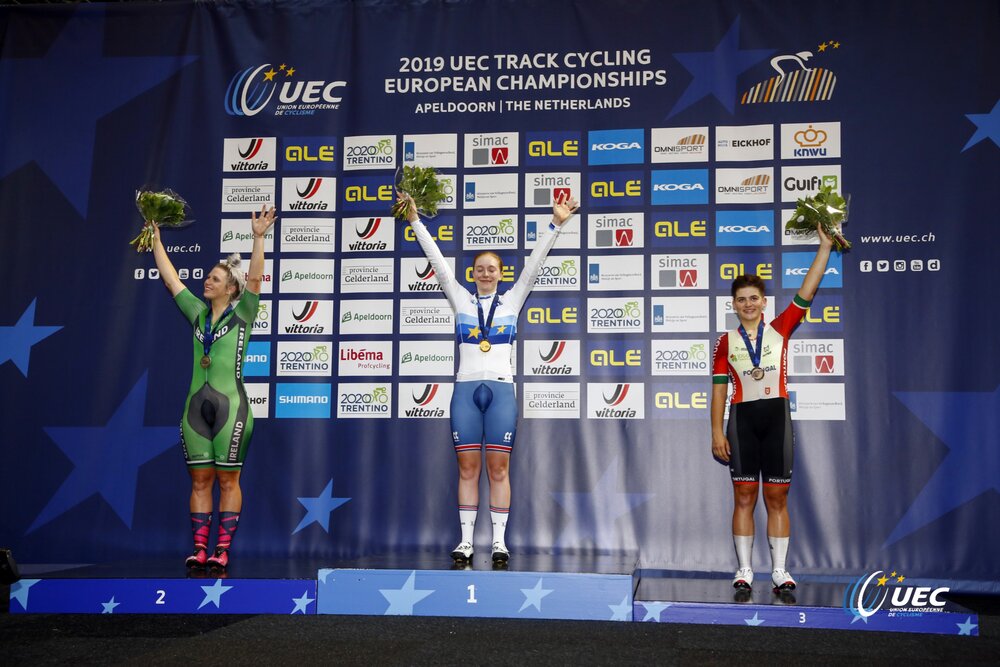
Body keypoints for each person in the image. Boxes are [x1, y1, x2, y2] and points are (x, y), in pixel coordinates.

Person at [397, 190, 578, 564]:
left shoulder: (511, 301)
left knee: (498, 468)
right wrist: (415, 219)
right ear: (473, 274)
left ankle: (499, 542)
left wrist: (555, 225)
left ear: (499, 273)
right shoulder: (460, 300)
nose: (484, 273)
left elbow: (534, 265)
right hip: (465, 391)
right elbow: (437, 261)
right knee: (467, 467)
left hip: (501, 391)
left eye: (491, 269)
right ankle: (465, 542)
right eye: (479, 269)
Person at [710, 223, 834, 591]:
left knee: (777, 496)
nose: (747, 304)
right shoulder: (724, 342)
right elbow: (718, 392)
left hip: (776, 418)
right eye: (741, 299)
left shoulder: (780, 328)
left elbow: (807, 290)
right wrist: (716, 430)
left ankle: (780, 571)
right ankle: (744, 570)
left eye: (753, 298)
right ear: (733, 305)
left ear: (764, 302)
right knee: (744, 495)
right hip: (742, 420)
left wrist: (825, 247)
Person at [151, 205, 275, 570]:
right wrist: (157, 240)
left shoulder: (244, 313)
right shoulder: (196, 313)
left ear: (231, 288)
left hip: (232, 409)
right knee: (201, 481)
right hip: (194, 409)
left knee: (228, 479)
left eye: (215, 279)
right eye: (207, 277)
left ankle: (222, 551)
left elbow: (255, 280)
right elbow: (171, 278)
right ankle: (200, 549)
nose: (207, 282)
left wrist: (258, 237)